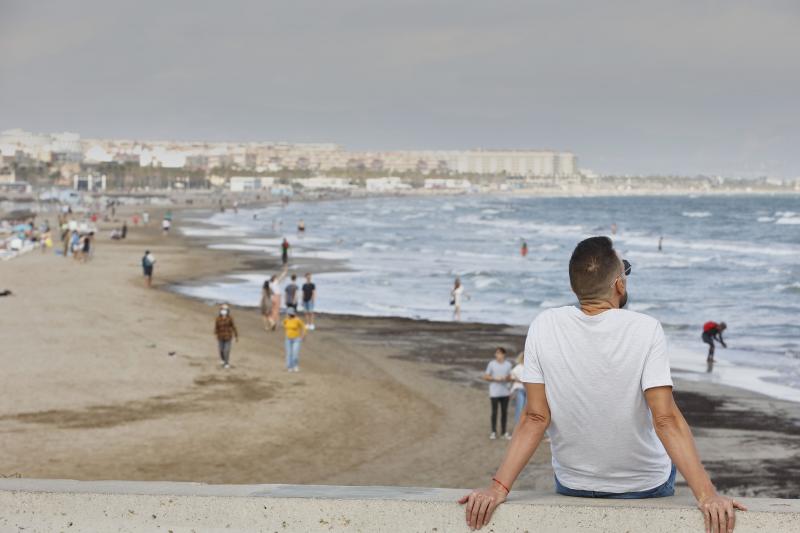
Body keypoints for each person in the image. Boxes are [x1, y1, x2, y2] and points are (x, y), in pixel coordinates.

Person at [460, 236, 746, 532]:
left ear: (575, 286)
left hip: (574, 483)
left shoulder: (543, 325)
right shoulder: (646, 329)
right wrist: (707, 495)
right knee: (661, 459)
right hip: (644, 485)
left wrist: (497, 488)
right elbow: (665, 419)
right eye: (626, 271)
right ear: (619, 285)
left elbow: (535, 417)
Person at [483, 347, 513, 440]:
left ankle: (504, 432)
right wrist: (495, 378)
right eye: (496, 353)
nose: (497, 355)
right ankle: (493, 432)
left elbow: (511, 377)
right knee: (494, 412)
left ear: (504, 354)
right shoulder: (491, 364)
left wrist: (505, 378)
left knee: (504, 412)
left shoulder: (508, 364)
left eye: (499, 353)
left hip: (505, 392)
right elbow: (486, 376)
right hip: (494, 392)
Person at [282, 307, 307, 372]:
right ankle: (289, 366)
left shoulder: (297, 320)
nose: (286, 315)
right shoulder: (286, 320)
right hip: (288, 339)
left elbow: (303, 327)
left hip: (296, 339)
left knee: (295, 353)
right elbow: (284, 324)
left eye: (287, 313)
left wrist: (303, 335)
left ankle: (295, 365)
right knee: (289, 353)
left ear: (290, 314)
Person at [214, 304, 238, 369]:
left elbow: (233, 327)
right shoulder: (218, 319)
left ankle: (226, 363)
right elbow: (216, 327)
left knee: (226, 350)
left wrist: (236, 336)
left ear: (227, 311)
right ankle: (223, 360)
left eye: (225, 310)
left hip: (228, 337)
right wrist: (216, 333)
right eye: (222, 309)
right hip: (220, 337)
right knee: (221, 350)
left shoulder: (230, 318)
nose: (224, 311)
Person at [510, 352, 526, 428]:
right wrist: (520, 381)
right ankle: (518, 427)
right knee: (519, 408)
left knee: (526, 409)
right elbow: (512, 377)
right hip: (519, 389)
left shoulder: (530, 367)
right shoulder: (517, 367)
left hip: (528, 390)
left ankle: (524, 427)